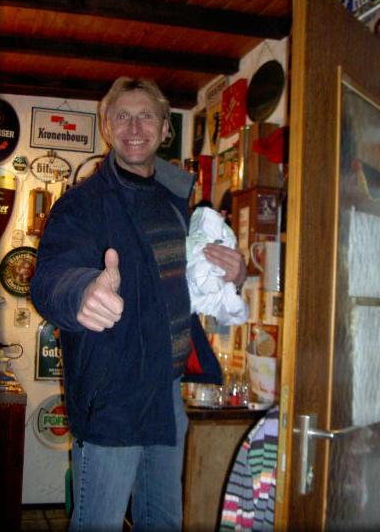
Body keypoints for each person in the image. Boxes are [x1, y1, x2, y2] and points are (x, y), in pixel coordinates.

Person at [30, 76, 246, 532]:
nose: (133, 127)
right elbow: (49, 278)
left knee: (164, 521)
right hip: (113, 396)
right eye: (122, 116)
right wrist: (81, 292)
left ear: (165, 128)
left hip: (166, 393)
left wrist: (233, 274)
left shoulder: (175, 203)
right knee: (99, 522)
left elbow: (188, 285)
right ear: (107, 127)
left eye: (146, 116)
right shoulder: (82, 205)